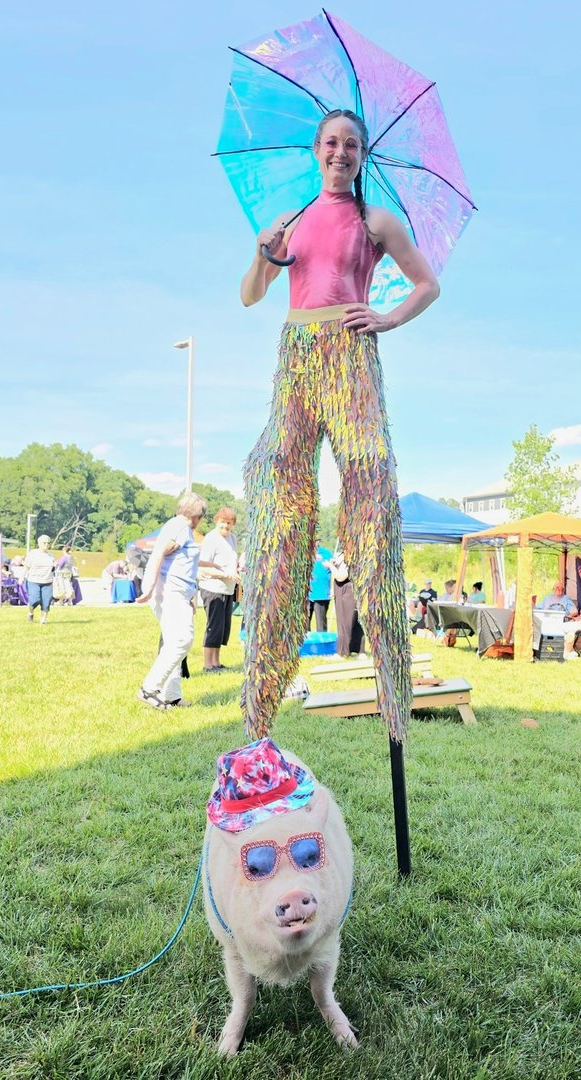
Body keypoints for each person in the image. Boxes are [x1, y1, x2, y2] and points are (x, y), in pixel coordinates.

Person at [239, 107, 439, 741]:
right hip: (297, 357)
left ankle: (390, 679)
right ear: (315, 149)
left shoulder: (375, 219)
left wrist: (386, 318)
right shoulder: (290, 223)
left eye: (351, 144)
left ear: (362, 153)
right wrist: (262, 255)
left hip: (351, 357)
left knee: (369, 488)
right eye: (330, 142)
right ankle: (263, 690)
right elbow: (250, 294)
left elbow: (427, 285)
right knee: (280, 495)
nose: (340, 152)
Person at [136, 491, 220, 710]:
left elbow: (182, 560)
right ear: (196, 516)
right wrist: (148, 587)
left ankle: (171, 695)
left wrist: (209, 568)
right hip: (170, 593)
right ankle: (149, 688)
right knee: (181, 640)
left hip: (179, 593)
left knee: (175, 642)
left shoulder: (179, 528)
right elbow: (157, 555)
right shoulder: (180, 527)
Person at [198, 507, 241, 674]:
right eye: (223, 522)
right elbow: (204, 567)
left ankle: (216, 662)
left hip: (228, 589)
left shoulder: (233, 539)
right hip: (213, 588)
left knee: (223, 628)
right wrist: (225, 574)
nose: (226, 526)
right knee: (213, 626)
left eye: (229, 523)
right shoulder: (211, 539)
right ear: (217, 521)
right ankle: (208, 664)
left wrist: (235, 573)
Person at [330, 551, 364, 657]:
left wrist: (330, 566)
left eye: (338, 555)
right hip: (343, 594)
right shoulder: (345, 562)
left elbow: (340, 576)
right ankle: (356, 649)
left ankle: (343, 652)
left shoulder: (348, 563)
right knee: (352, 623)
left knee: (345, 622)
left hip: (346, 595)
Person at [25, 534, 56, 625]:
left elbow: (53, 569)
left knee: (46, 602)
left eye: (48, 543)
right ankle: (30, 613)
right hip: (34, 580)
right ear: (39, 543)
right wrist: (22, 578)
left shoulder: (51, 555)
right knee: (35, 599)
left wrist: (55, 566)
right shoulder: (32, 554)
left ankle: (43, 620)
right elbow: (27, 566)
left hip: (47, 581)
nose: (46, 545)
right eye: (44, 543)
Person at [308, 543, 334, 632]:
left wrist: (332, 589)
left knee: (321, 626)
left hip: (321, 594)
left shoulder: (326, 554)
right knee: (304, 626)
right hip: (306, 595)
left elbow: (333, 572)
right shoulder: (303, 551)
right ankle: (305, 645)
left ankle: (322, 645)